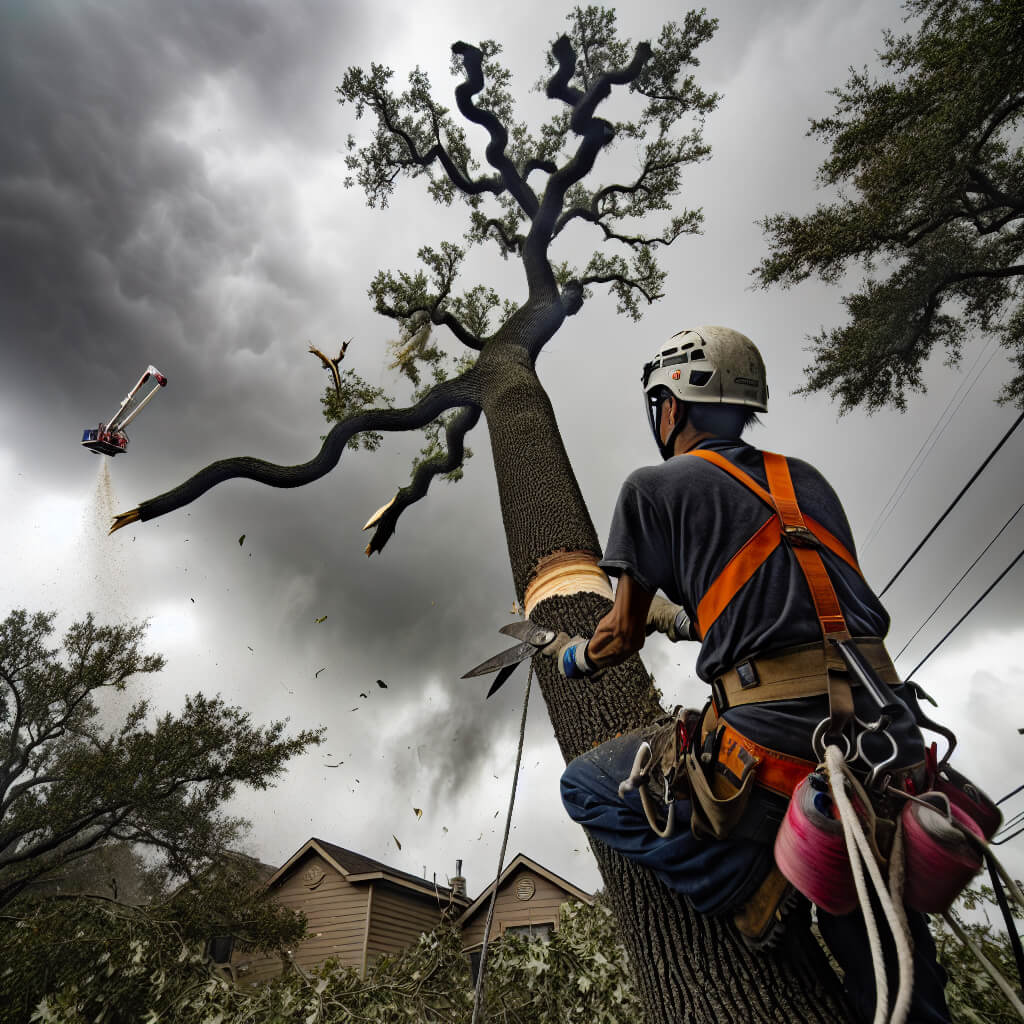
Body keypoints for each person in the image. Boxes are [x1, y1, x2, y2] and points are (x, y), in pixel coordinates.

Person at [549, 326, 951, 1023]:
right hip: (889, 741)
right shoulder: (807, 484)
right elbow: (782, 604)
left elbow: (615, 637)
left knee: (585, 784)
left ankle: (753, 884)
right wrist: (675, 619)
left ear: (671, 405)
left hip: (778, 752)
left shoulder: (652, 489)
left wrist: (572, 656)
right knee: (894, 973)